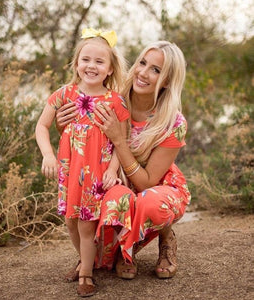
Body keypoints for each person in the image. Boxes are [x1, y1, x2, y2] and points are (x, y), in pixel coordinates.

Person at [56, 40, 191, 285]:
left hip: (155, 185)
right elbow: (82, 138)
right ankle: (108, 252)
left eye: (156, 70)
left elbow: (148, 180)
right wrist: (61, 125)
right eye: (142, 63)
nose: (142, 73)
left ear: (168, 80)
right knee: (100, 259)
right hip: (116, 182)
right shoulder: (113, 98)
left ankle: (162, 238)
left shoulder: (174, 123)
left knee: (150, 203)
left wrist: (119, 140)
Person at [35, 28, 129, 297]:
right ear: (76, 63)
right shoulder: (63, 94)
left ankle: (87, 273)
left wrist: (113, 169)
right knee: (70, 222)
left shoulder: (114, 100)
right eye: (86, 59)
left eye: (100, 62)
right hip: (69, 172)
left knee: (86, 226)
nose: (91, 66)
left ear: (110, 69)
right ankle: (86, 259)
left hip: (96, 174)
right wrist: (48, 155)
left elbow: (120, 141)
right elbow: (42, 126)